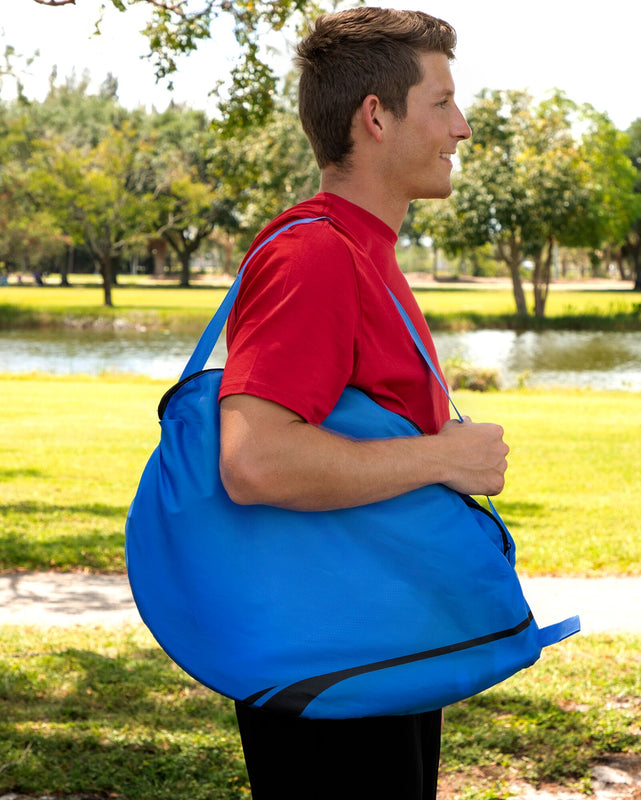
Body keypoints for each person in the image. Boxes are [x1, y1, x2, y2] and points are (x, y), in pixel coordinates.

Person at [217, 7, 510, 799]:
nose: (464, 127)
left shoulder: (362, 251)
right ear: (376, 117)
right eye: (442, 103)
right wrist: (448, 456)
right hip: (327, 654)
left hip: (370, 636)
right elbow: (253, 459)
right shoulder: (316, 255)